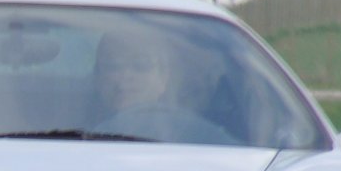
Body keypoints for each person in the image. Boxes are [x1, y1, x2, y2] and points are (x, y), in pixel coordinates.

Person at [90, 25, 234, 145]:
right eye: (112, 67)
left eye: (140, 66)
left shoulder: (200, 135)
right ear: (97, 76)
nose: (124, 76)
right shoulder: (73, 133)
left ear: (164, 77)